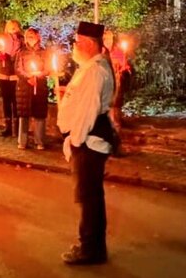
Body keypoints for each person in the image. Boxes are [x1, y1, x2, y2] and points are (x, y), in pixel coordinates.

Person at [56, 21, 116, 266]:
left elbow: (87, 111)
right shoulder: (89, 67)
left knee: (89, 197)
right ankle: (92, 245)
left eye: (78, 42)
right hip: (86, 141)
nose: (74, 46)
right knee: (90, 196)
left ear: (90, 43)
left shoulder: (94, 71)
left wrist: (75, 141)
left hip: (88, 142)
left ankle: (90, 249)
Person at [14, 28, 49, 150]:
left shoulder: (44, 52)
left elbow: (47, 68)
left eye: (32, 35)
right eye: (28, 36)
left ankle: (39, 141)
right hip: (25, 87)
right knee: (24, 114)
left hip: (39, 87)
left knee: (39, 114)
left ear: (38, 36)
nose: (30, 37)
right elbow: (18, 68)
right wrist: (28, 77)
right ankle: (22, 141)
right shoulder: (21, 52)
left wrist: (38, 75)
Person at [0, 20, 22, 137]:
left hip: (15, 72)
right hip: (3, 72)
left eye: (15, 26)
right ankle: (8, 126)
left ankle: (17, 127)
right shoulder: (2, 38)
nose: (13, 28)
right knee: (6, 99)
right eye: (11, 26)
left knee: (15, 100)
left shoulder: (21, 39)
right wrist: (0, 55)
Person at [103, 30, 133, 131]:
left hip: (116, 81)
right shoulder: (101, 52)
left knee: (116, 101)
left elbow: (125, 65)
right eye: (105, 39)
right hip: (104, 82)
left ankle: (116, 122)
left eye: (109, 39)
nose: (107, 41)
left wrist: (123, 69)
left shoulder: (117, 52)